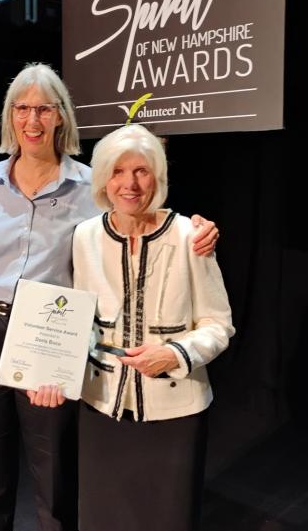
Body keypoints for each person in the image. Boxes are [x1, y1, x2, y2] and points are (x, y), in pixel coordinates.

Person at [0, 62, 219, 531]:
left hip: (47, 334)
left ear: (60, 116)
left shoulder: (91, 185)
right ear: (10, 117)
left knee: (56, 477)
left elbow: (141, 216)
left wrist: (198, 232)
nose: (32, 120)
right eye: (22, 109)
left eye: (44, 108)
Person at [72, 123, 235, 531]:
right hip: (101, 405)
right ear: (104, 179)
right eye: (118, 171)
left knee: (166, 517)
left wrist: (176, 354)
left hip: (175, 411)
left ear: (158, 177)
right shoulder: (84, 236)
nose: (130, 183)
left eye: (142, 171)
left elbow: (219, 325)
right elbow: (76, 319)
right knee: (102, 516)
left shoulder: (190, 236)